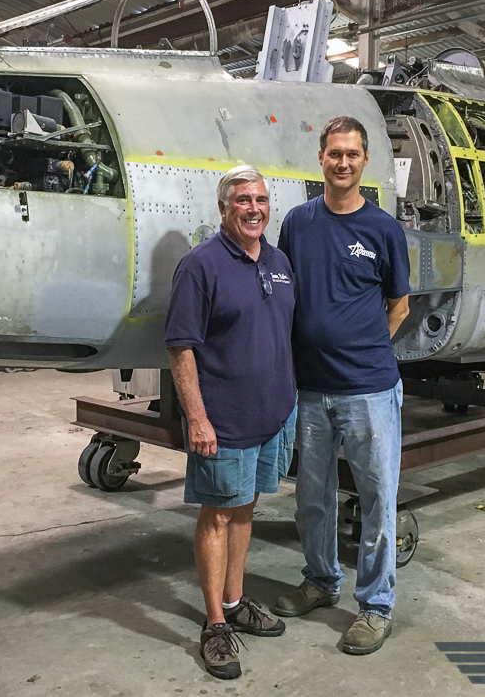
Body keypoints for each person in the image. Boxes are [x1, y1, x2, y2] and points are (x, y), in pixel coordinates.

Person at [273, 116, 411, 656]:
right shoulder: (298, 223)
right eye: (335, 153)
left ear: (365, 160)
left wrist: (364, 345)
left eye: (352, 154)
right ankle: (321, 581)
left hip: (369, 389)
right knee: (312, 498)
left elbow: (398, 306)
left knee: (377, 501)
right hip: (311, 390)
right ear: (322, 157)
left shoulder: (383, 229)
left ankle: (376, 607)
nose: (343, 162)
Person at [164, 164, 298, 680]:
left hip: (272, 416)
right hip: (222, 421)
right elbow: (180, 347)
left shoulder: (280, 262)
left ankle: (237, 599)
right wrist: (197, 418)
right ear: (224, 208)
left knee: (246, 509)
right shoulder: (200, 266)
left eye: (261, 200)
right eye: (242, 200)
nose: (253, 208)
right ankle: (216, 623)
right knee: (218, 515)